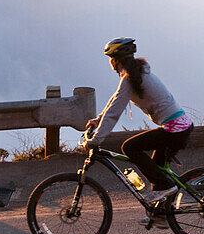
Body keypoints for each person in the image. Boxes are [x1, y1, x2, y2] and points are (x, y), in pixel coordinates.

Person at [83, 38, 194, 213]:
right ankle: (162, 215)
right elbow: (115, 100)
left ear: (116, 59)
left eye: (111, 58)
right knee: (157, 172)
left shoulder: (130, 77)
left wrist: (96, 140)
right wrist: (98, 120)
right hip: (179, 126)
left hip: (175, 129)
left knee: (130, 147)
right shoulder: (135, 73)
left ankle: (165, 188)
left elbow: (115, 111)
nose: (110, 62)